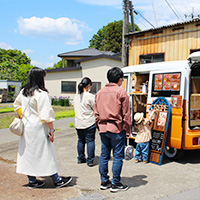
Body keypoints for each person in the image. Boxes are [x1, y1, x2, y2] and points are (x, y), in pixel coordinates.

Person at [13, 67, 72, 189]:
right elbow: (46, 116)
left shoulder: (24, 92)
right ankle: (57, 180)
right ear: (40, 78)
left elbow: (16, 105)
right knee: (46, 153)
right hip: (39, 128)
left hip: (26, 127)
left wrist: (24, 115)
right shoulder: (41, 93)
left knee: (29, 154)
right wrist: (51, 131)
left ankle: (32, 180)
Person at [94, 67, 132, 193]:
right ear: (120, 79)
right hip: (117, 128)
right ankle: (115, 183)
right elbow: (126, 114)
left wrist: (99, 125)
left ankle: (104, 181)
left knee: (104, 156)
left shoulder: (99, 93)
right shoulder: (121, 93)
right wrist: (128, 130)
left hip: (103, 128)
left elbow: (96, 113)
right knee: (117, 156)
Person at [73, 77, 96, 167]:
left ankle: (81, 158)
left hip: (78, 122)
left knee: (80, 141)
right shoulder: (90, 96)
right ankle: (90, 160)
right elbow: (95, 108)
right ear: (88, 85)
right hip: (89, 122)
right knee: (90, 141)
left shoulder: (76, 96)